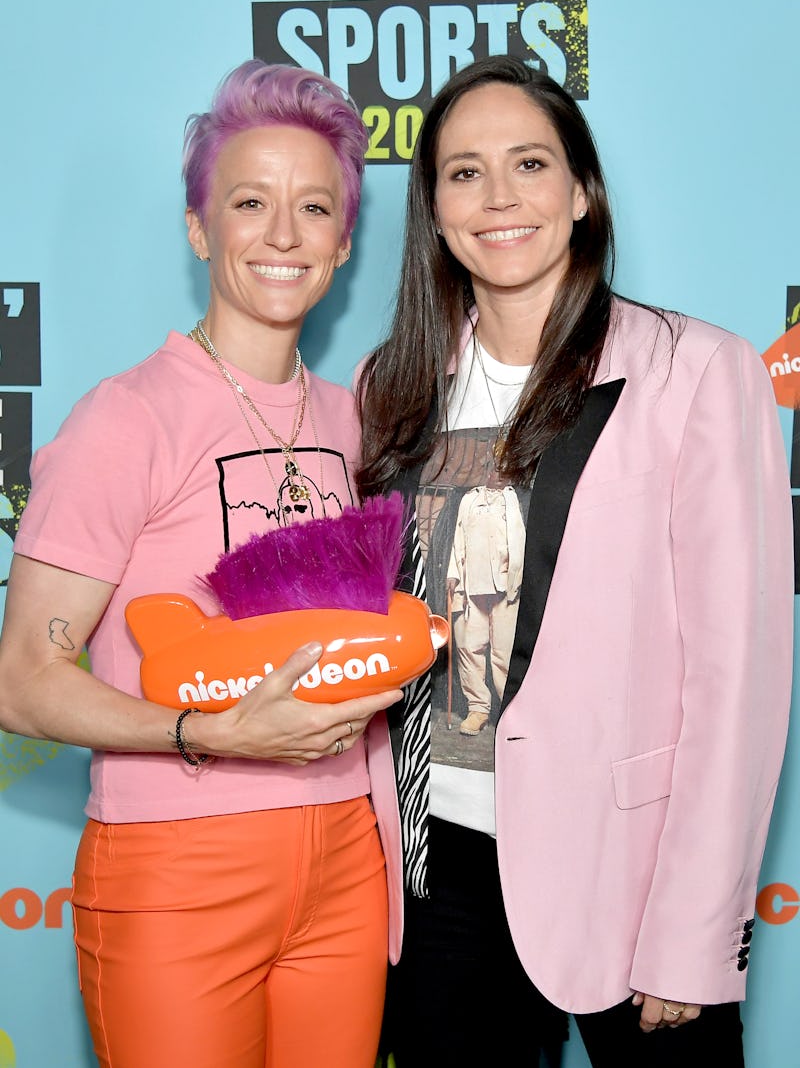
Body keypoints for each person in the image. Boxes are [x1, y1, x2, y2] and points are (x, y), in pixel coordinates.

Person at [356, 55, 793, 1068]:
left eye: (528, 164)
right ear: (431, 205)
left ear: (581, 191)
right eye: (463, 173)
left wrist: (692, 935)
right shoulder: (394, 384)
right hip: (436, 877)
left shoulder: (694, 370)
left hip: (630, 875)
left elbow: (738, 678)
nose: (498, 197)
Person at [0, 60, 403, 1068]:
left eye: (312, 208)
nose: (280, 234)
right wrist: (212, 731)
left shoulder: (354, 422)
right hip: (177, 869)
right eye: (248, 202)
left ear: (343, 241)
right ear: (197, 228)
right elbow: (24, 682)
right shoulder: (126, 419)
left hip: (345, 863)